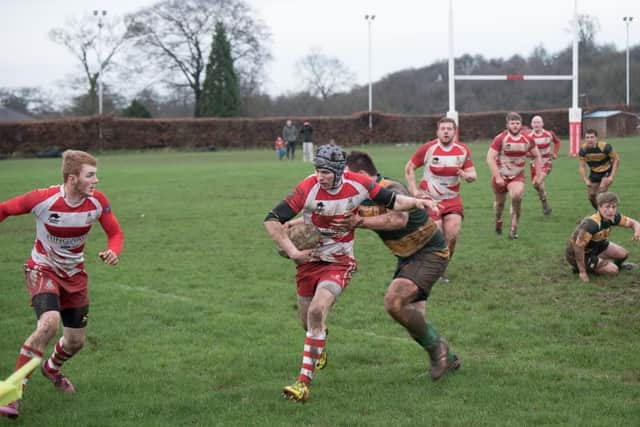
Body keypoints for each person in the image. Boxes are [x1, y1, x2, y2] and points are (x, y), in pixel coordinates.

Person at [263, 144, 439, 403]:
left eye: (325, 171)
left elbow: (394, 201)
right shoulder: (307, 187)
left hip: (339, 262)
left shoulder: (358, 184)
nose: (320, 176)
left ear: (338, 171)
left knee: (316, 311)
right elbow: (271, 219)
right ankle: (318, 341)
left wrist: (418, 201)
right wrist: (293, 251)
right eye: (317, 170)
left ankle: (302, 384)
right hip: (308, 262)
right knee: (308, 321)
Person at [0, 150, 124, 419]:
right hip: (42, 268)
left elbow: (115, 233)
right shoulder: (43, 199)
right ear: (72, 179)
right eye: (90, 175)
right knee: (48, 324)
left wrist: (113, 250)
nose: (96, 180)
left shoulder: (97, 202)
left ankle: (52, 368)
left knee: (75, 341)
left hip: (75, 276)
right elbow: (4, 209)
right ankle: (12, 393)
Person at [334, 151, 460, 380]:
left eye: (348, 177)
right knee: (412, 321)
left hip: (430, 252)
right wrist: (290, 224)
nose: (345, 184)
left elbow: (398, 219)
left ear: (362, 174)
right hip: (407, 258)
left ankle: (438, 351)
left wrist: (359, 222)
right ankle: (448, 358)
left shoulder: (391, 189)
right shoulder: (357, 196)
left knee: (394, 302)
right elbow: (328, 214)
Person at [404, 117, 476, 282]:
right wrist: (414, 190)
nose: (445, 131)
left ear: (454, 131)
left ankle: (440, 269)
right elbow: (409, 167)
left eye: (449, 129)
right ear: (437, 131)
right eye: (442, 128)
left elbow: (473, 175)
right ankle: (426, 264)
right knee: (436, 233)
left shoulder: (463, 150)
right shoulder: (428, 148)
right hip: (431, 199)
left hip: (452, 200)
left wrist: (467, 176)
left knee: (452, 236)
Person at [486, 112, 543, 240]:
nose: (515, 126)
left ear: (521, 125)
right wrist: (498, 177)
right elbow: (490, 158)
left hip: (517, 175)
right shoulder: (500, 138)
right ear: (507, 125)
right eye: (512, 123)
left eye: (517, 123)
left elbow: (537, 156)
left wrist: (538, 175)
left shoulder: (527, 139)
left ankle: (514, 228)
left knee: (516, 196)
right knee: (499, 205)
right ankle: (498, 221)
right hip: (501, 175)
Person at [565, 192, 639, 283]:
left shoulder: (613, 217)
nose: (611, 210)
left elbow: (634, 223)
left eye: (614, 207)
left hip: (596, 246)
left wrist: (637, 232)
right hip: (578, 255)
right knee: (613, 270)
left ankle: (614, 264)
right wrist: (582, 272)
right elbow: (578, 248)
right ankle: (579, 268)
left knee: (623, 254)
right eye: (607, 207)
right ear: (599, 207)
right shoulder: (592, 224)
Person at [525, 115, 561, 215]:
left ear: (542, 124)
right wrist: (529, 154)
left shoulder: (549, 134)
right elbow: (524, 150)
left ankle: (544, 202)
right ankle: (545, 204)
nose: (536, 124)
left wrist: (555, 153)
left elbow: (557, 142)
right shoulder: (528, 136)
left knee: (538, 182)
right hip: (534, 164)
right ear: (531, 124)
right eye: (534, 122)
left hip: (546, 162)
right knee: (537, 186)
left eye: (538, 122)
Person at [579, 129, 619, 209]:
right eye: (587, 137)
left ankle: (604, 214)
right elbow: (582, 166)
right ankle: (600, 213)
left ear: (596, 138)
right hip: (594, 173)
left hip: (606, 171)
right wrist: (586, 180)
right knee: (591, 196)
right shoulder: (583, 150)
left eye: (592, 137)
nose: (589, 139)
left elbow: (616, 159)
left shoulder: (605, 147)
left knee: (601, 193)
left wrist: (611, 176)